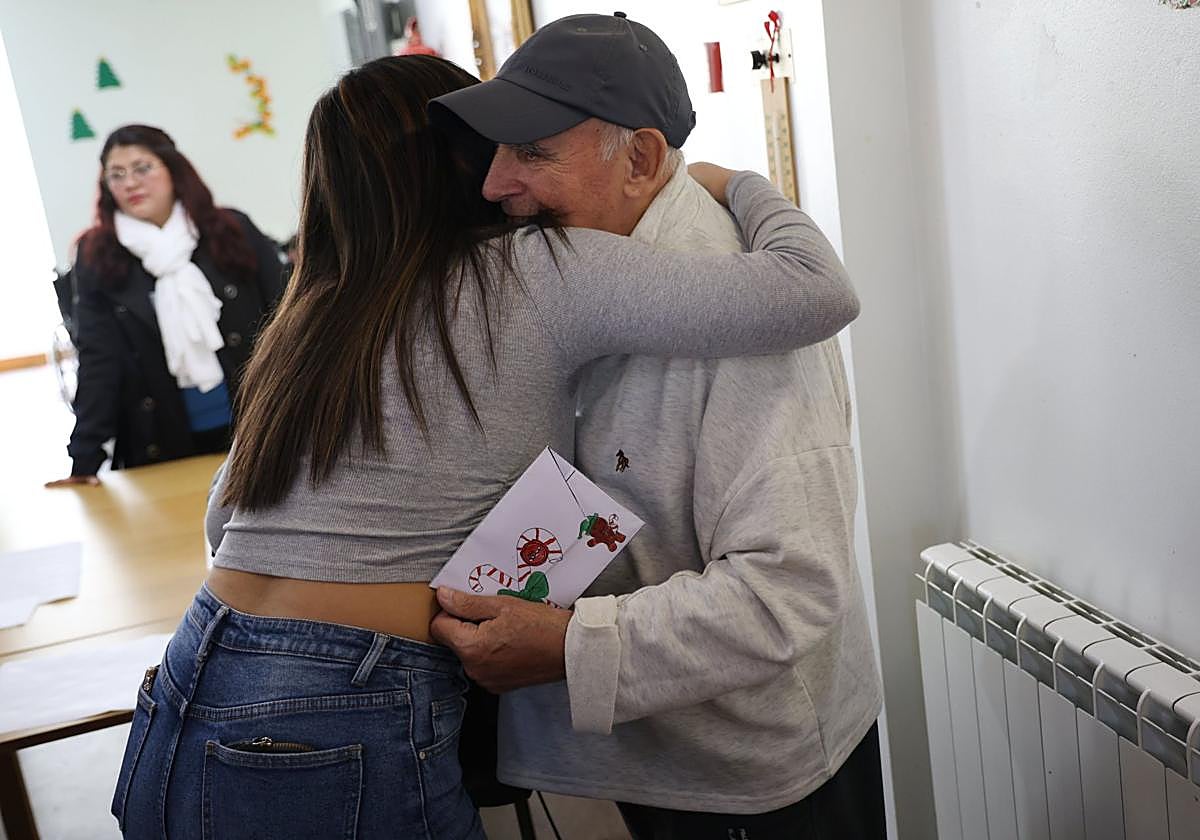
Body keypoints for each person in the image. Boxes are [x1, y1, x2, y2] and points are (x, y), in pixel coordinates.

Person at [112, 55, 857, 839]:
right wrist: (734, 180)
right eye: (499, 145)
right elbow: (816, 291)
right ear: (459, 161)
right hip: (341, 699)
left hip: (191, 674)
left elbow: (222, 518)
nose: (507, 175)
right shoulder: (533, 272)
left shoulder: (310, 316)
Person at [429, 13, 885, 839]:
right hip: (645, 756)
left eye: (531, 152)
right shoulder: (570, 267)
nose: (497, 185)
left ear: (639, 159)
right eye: (496, 152)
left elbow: (787, 593)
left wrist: (570, 646)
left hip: (749, 785)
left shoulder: (744, 319)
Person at [45, 124, 285, 487]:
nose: (130, 183)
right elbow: (98, 360)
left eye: (143, 168)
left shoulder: (230, 229)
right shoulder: (99, 255)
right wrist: (84, 459)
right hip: (162, 441)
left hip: (259, 427)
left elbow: (288, 317)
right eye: (117, 174)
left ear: (174, 170)